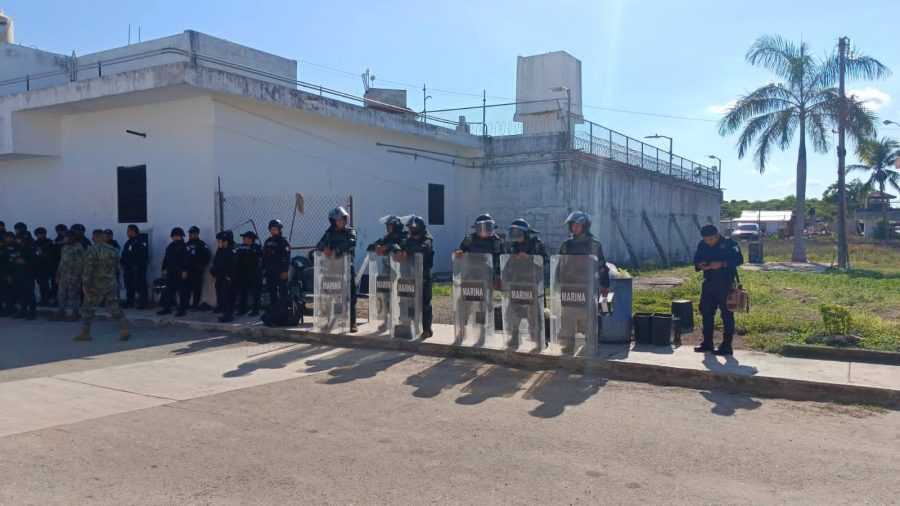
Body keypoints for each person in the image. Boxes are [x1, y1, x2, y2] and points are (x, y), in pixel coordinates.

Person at [556, 211, 610, 353]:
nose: (574, 228)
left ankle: (590, 343)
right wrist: (557, 283)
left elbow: (602, 267)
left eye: (577, 225)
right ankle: (568, 344)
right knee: (567, 316)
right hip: (569, 287)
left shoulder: (594, 245)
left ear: (585, 226)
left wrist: (605, 286)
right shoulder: (566, 245)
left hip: (587, 286)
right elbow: (559, 265)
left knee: (588, 316)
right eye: (572, 225)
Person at [693, 224, 744, 356]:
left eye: (711, 239)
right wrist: (701, 265)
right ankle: (707, 342)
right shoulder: (702, 244)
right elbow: (696, 260)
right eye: (706, 240)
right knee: (706, 312)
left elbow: (739, 259)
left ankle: (726, 345)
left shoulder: (729, 243)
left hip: (725, 283)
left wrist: (722, 264)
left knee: (727, 314)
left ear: (717, 234)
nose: (709, 242)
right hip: (709, 282)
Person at [453, 214, 503, 343]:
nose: (485, 229)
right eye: (482, 227)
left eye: (488, 226)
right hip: (470, 275)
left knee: (483, 306)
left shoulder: (496, 241)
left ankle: (482, 333)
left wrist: (497, 277)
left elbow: (499, 260)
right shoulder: (469, 239)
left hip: (486, 277)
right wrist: (458, 252)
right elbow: (460, 250)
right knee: (465, 304)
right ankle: (462, 331)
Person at [74, 229, 129, 341]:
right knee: (114, 306)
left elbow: (88, 270)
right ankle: (124, 329)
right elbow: (118, 266)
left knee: (88, 308)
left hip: (96, 284)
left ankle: (85, 332)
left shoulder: (92, 251)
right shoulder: (113, 250)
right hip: (111, 282)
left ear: (95, 238)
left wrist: (85, 286)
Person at [503, 219, 547, 347]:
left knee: (534, 314)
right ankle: (515, 337)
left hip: (532, 283)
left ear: (525, 232)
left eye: (518, 232)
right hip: (516, 284)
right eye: (513, 232)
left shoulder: (536, 244)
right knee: (512, 312)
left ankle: (538, 339)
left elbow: (544, 260)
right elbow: (507, 264)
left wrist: (529, 258)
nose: (515, 235)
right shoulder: (513, 246)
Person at [315, 207, 358, 332]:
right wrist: (324, 248)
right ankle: (330, 321)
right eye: (339, 220)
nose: (342, 222)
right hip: (331, 269)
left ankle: (352, 323)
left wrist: (335, 250)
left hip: (346, 267)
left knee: (350, 296)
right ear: (333, 221)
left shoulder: (350, 232)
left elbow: (351, 243)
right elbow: (319, 243)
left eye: (343, 219)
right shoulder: (329, 232)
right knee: (330, 295)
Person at [392, 215, 435, 338]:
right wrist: (398, 251)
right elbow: (397, 245)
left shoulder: (428, 239)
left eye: (411, 229)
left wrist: (407, 251)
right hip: (408, 275)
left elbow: (422, 249)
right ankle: (406, 325)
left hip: (423, 276)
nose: (408, 232)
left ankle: (426, 329)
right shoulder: (409, 239)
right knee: (406, 301)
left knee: (425, 303)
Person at [367, 214, 407, 330]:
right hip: (386, 271)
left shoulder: (403, 237)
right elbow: (371, 246)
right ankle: (386, 321)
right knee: (385, 297)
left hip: (400, 271)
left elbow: (401, 246)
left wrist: (387, 247)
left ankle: (400, 321)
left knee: (399, 297)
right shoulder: (386, 237)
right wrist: (377, 246)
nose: (389, 228)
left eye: (391, 226)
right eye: (388, 226)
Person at [50, 230, 84, 322]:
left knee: (74, 295)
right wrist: (58, 274)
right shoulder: (64, 247)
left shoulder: (78, 248)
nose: (63, 239)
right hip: (63, 275)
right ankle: (61, 311)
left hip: (73, 275)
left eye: (65, 237)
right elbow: (61, 262)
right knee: (61, 294)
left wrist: (75, 276)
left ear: (71, 237)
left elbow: (79, 264)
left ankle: (75, 313)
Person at [157, 227, 191, 317]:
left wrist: (185, 271)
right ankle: (167, 308)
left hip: (180, 272)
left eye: (178, 236)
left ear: (182, 236)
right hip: (171, 272)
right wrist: (163, 269)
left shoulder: (185, 247)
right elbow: (166, 258)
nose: (176, 237)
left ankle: (182, 310)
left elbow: (187, 260)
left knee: (182, 292)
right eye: (174, 236)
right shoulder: (170, 246)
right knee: (168, 291)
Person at [262, 219, 291, 313]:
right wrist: (263, 268)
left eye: (275, 229)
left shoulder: (284, 241)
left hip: (280, 271)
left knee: (283, 291)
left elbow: (287, 257)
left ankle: (284, 309)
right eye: (271, 229)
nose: (273, 231)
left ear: (279, 229)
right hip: (270, 271)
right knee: (271, 291)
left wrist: (286, 271)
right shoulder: (268, 241)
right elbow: (264, 256)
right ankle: (273, 309)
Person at [210, 230, 238, 323]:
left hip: (228, 277)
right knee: (221, 294)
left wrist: (229, 276)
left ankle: (229, 315)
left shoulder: (232, 250)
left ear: (226, 241)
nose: (219, 242)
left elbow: (233, 266)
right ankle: (222, 309)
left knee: (229, 296)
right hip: (220, 276)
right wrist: (214, 274)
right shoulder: (221, 250)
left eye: (220, 241)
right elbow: (217, 262)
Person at [120, 224, 149, 309]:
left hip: (137, 268)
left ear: (134, 231)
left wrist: (137, 265)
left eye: (129, 231)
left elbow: (143, 256)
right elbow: (125, 254)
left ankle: (143, 303)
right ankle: (130, 302)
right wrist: (122, 262)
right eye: (127, 231)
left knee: (140, 285)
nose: (127, 233)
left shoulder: (140, 241)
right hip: (128, 268)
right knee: (129, 285)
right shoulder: (129, 242)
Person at [10, 230, 37, 320]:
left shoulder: (30, 248)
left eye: (18, 238)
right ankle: (23, 310)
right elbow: (13, 258)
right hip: (18, 273)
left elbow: (34, 262)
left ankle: (32, 312)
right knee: (20, 293)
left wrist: (25, 262)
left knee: (29, 293)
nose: (17, 240)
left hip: (28, 274)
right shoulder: (17, 248)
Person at [235, 231, 262, 317]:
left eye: (246, 238)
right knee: (243, 292)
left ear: (251, 239)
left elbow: (260, 258)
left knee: (255, 292)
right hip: (242, 273)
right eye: (244, 238)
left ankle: (255, 310)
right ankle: (242, 310)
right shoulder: (240, 247)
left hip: (254, 273)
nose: (244, 239)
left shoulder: (256, 247)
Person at [185, 226, 211, 310]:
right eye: (190, 233)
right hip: (187, 270)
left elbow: (207, 256)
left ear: (197, 234)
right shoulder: (186, 245)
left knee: (196, 289)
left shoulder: (201, 244)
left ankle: (195, 305)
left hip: (197, 271)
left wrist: (201, 265)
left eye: (192, 233)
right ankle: (186, 304)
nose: (191, 235)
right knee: (186, 289)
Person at [31, 227, 56, 306]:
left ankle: (48, 299)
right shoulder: (34, 243)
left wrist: (46, 256)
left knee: (46, 283)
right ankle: (43, 299)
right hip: (38, 267)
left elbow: (55, 254)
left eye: (42, 233)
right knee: (41, 284)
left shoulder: (50, 242)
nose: (41, 235)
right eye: (39, 234)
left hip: (48, 266)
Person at [0, 231, 16, 316]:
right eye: (6, 237)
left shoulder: (15, 247)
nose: (8, 239)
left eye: (10, 237)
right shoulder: (3, 248)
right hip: (2, 273)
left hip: (10, 273)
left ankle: (9, 309)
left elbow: (8, 263)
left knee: (9, 292)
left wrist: (9, 275)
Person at [51, 224, 68, 302]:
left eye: (61, 231)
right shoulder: (57, 239)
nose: (59, 233)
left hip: (67, 266)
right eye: (58, 231)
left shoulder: (69, 240)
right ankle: (57, 299)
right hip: (57, 264)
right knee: (56, 283)